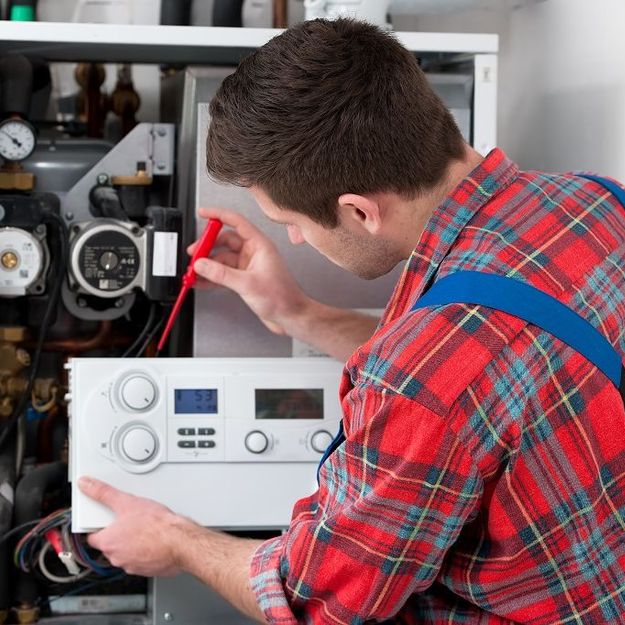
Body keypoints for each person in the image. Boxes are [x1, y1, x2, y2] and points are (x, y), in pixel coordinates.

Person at [78, 18, 625, 624]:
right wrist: (297, 314)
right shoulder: (597, 201)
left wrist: (174, 539)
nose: (293, 238)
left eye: (294, 223)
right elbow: (486, 379)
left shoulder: (420, 380)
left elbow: (316, 601)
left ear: (360, 212)